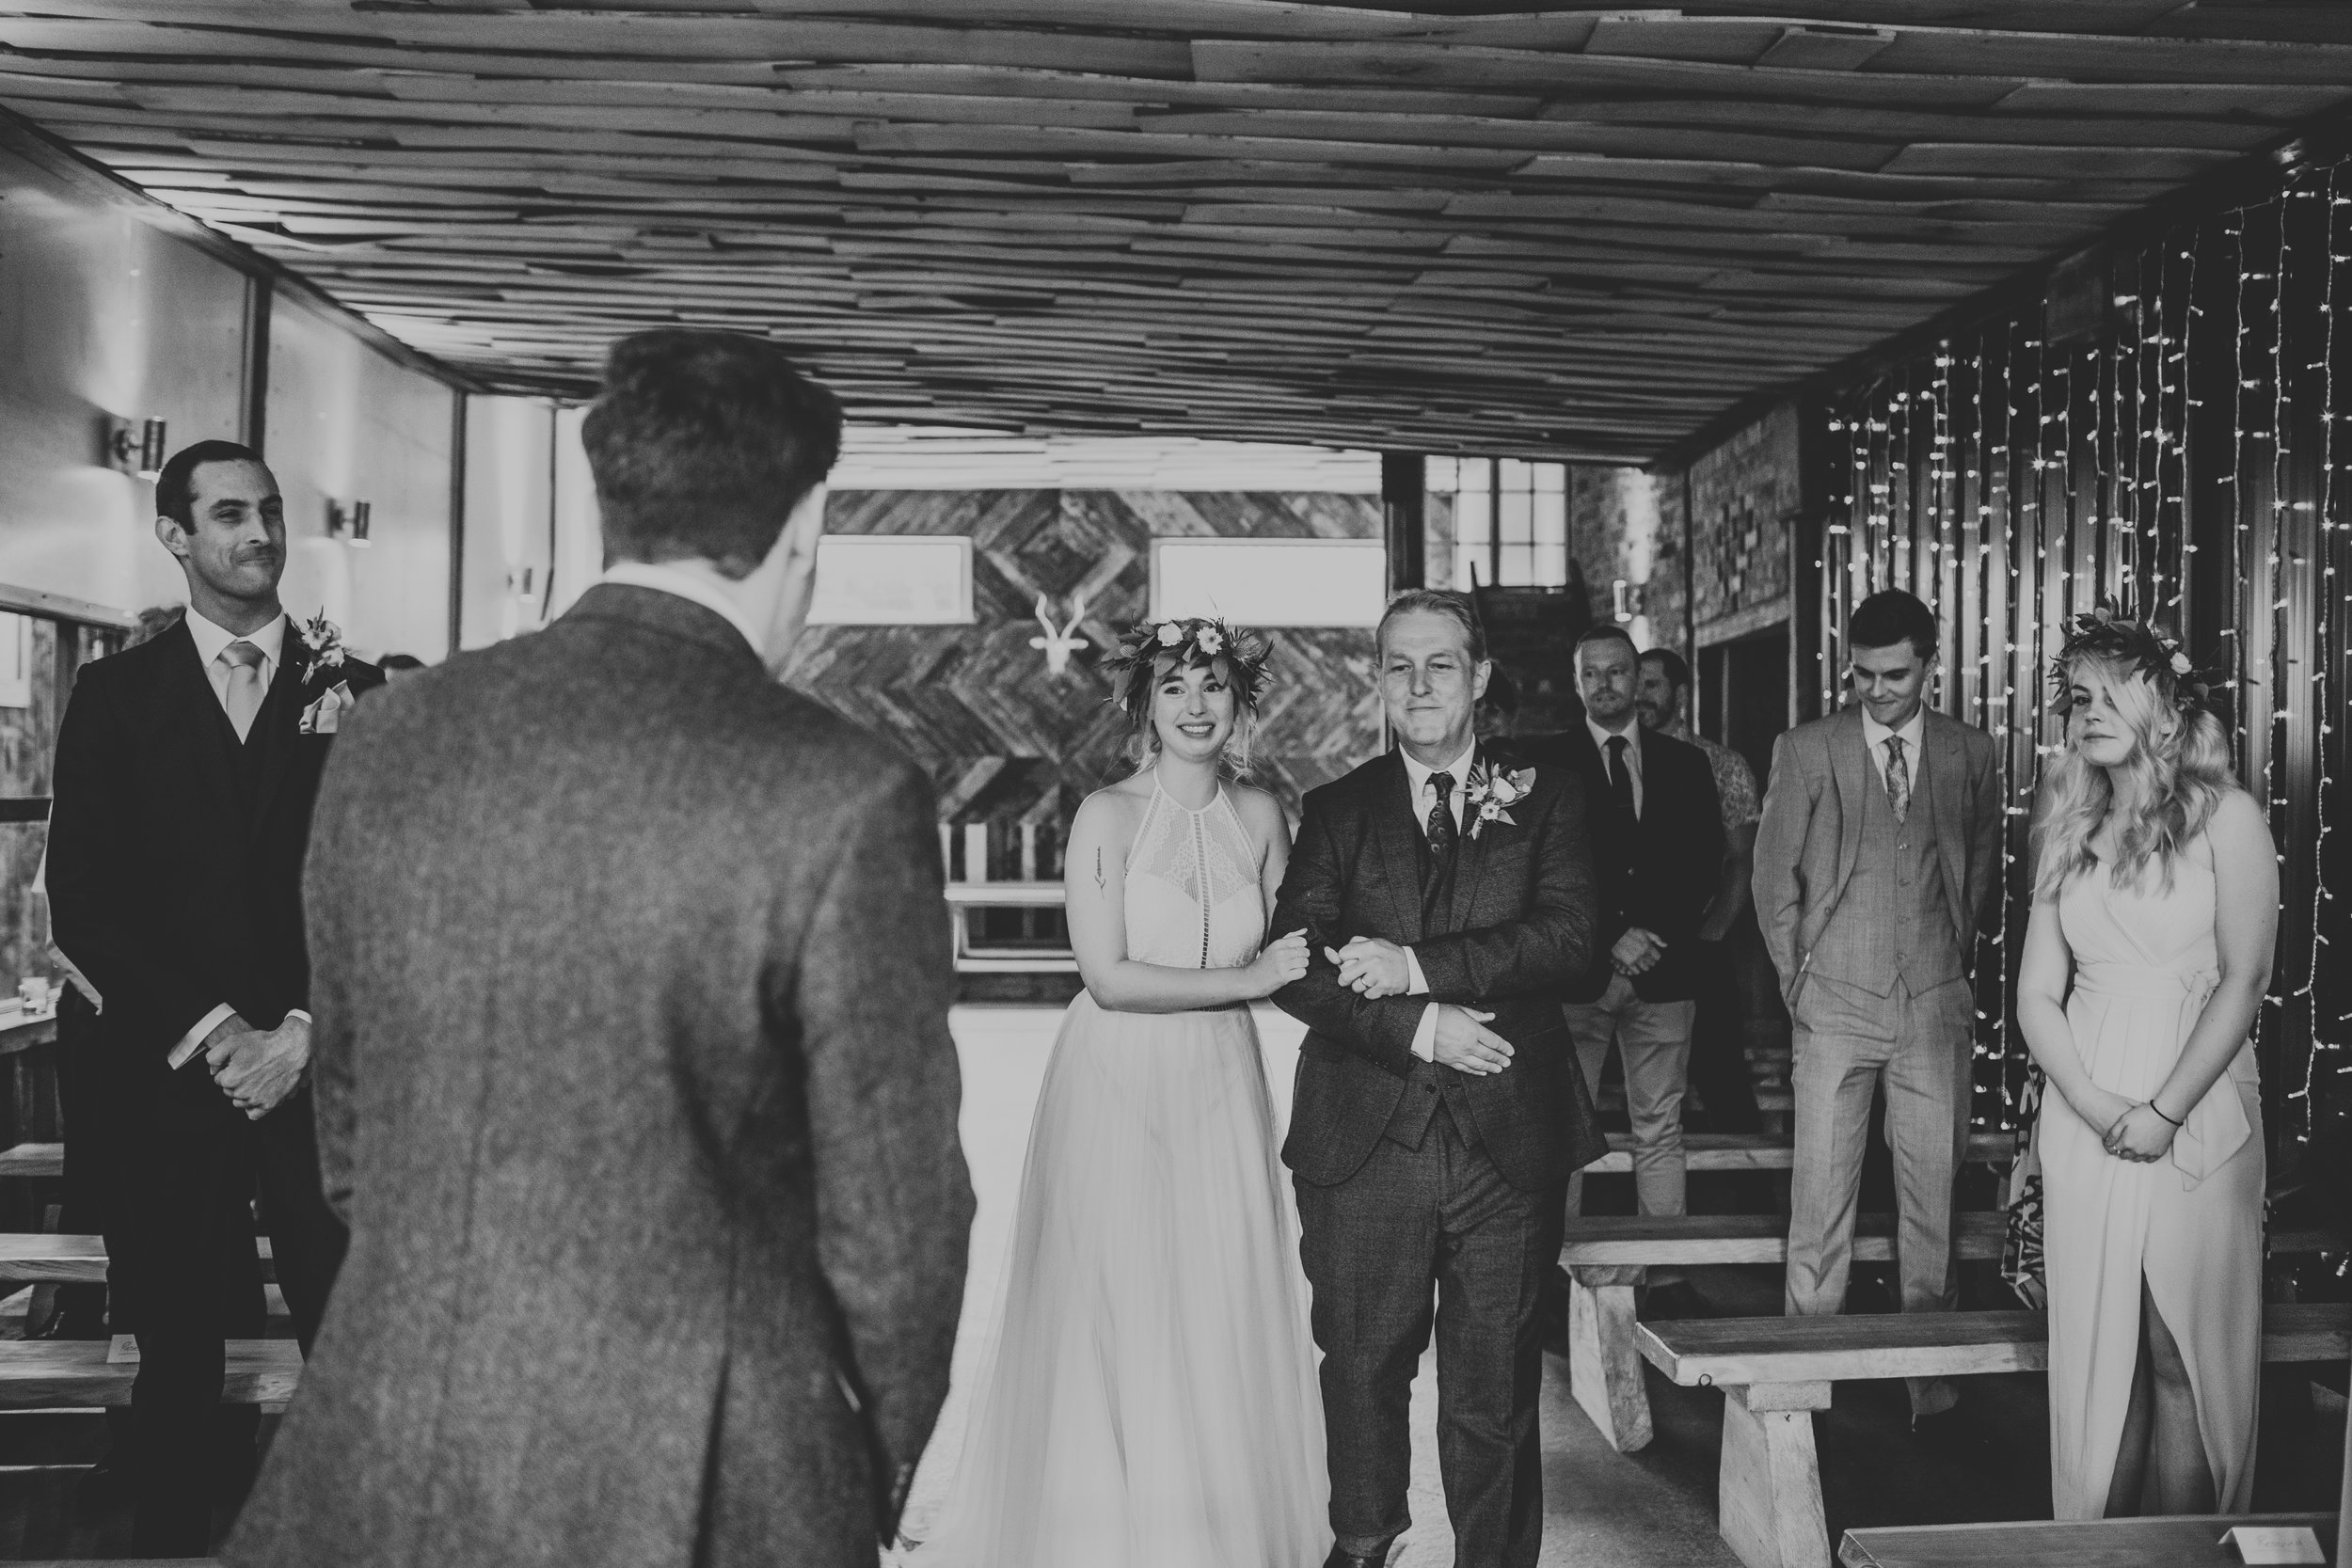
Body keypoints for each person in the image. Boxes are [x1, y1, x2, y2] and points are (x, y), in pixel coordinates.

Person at [223, 330, 974, 1568]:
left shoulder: (392, 738)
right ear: (802, 528)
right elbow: (898, 1217)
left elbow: (349, 1131)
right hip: (705, 1463)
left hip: (394, 1425)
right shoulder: (845, 790)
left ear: (606, 506)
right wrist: (862, 1453)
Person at [908, 615, 1327, 1568]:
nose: (1194, 704)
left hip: (1223, 1073)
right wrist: (1248, 982)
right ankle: (1100, 1528)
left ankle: (1207, 1525)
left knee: (1215, 1291)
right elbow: (1108, 975)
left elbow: (1292, 951)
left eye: (1212, 685)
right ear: (1143, 702)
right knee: (1119, 1289)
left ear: (1240, 701)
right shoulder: (1106, 815)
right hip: (1117, 1074)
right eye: (1174, 686)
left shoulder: (1261, 816)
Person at [46, 442, 381, 1554]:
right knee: (178, 1357)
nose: (260, 532)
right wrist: (216, 1031)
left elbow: (388, 888)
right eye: (230, 513)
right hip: (169, 1078)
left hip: (316, 1073)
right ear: (176, 536)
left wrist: (300, 1029)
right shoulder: (113, 694)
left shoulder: (357, 692)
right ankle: (176, 1541)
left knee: (354, 1337)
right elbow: (83, 899)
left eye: (271, 511)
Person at [1271, 588, 1603, 1568]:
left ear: (1480, 676)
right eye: (1398, 665)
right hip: (1364, 1137)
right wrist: (1420, 1027)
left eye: (1440, 663)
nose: (1418, 684)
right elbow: (1299, 964)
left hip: (1507, 1134)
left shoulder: (1550, 790)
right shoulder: (1336, 808)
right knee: (1363, 1364)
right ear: (1378, 677)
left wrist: (1421, 969)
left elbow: (1574, 940)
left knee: (1493, 1386)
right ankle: (1366, 1541)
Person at [2014, 610, 2269, 1519]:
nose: (2085, 713)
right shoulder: (2067, 823)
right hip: (2087, 1104)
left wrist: (2161, 1111)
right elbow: (2037, 992)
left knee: (2176, 1350)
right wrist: (2087, 1100)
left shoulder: (2228, 818)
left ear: (2163, 698)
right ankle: (2090, 1547)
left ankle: (2188, 1549)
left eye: (2106, 691)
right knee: (2098, 1356)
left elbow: (2247, 978)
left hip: (2194, 1098)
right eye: (2075, 696)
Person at [1751, 588, 1999, 1430]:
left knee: (1934, 1197)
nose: (1878, 691)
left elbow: (1981, 873)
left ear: (1932, 662)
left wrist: (1953, 968)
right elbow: (1771, 879)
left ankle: (1928, 1377)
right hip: (1834, 1004)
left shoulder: (1971, 752)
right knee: (1819, 1197)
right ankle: (1804, 1374)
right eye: (1863, 674)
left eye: (1896, 674)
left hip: (1935, 1003)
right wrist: (1798, 982)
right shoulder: (1807, 748)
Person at [1637, 647, 1763, 1132]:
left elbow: (1741, 858)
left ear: (1680, 693)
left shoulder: (1721, 765)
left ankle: (1742, 1197)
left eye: (1653, 685)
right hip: (1618, 947)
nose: (1641, 696)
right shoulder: (1608, 760)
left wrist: (1709, 936)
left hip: (1695, 941)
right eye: (1637, 683)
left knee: (1721, 1076)